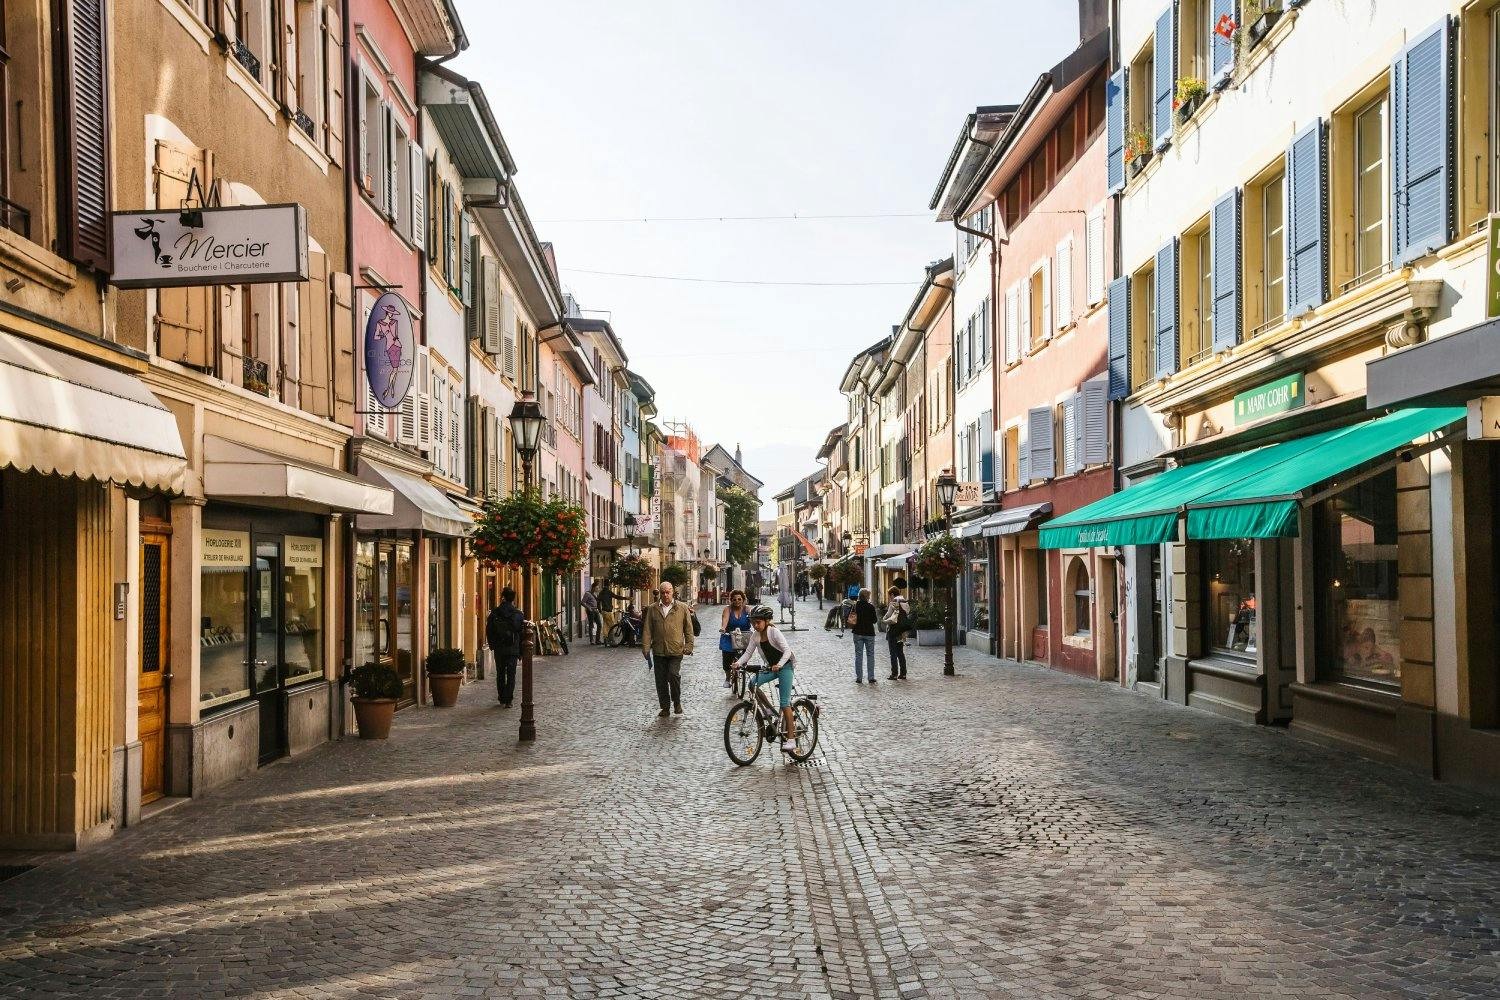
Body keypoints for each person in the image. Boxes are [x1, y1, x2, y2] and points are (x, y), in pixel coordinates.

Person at [733, 605, 799, 752]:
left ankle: (791, 739)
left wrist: (780, 665)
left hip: (785, 666)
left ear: (766, 621)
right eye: (753, 622)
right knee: (752, 683)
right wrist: (738, 663)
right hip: (771, 667)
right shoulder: (755, 635)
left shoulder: (774, 632)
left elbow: (787, 650)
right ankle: (768, 710)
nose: (755, 625)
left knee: (784, 702)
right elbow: (748, 653)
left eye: (758, 622)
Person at [641, 581, 694, 717]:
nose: (665, 595)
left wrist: (689, 645)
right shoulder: (653, 609)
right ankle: (665, 707)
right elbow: (647, 629)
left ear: (672, 592)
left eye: (668, 592)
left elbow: (688, 629)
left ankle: (676, 702)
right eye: (663, 592)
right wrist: (646, 647)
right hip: (659, 650)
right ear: (660, 593)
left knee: (673, 675)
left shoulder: (681, 608)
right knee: (661, 680)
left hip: (676, 650)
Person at [485, 587, 525, 707]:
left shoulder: (495, 613)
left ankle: (502, 697)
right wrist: (521, 651)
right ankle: (509, 700)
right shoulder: (518, 614)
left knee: (500, 673)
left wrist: (492, 645)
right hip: (513, 648)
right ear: (513, 599)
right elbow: (521, 633)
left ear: (503, 597)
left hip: (499, 648)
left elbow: (489, 630)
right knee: (511, 674)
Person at [719, 590, 752, 688]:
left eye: (739, 599)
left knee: (745, 656)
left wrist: (757, 627)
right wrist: (723, 628)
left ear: (743, 600)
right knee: (727, 658)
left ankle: (742, 668)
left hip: (744, 636)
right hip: (729, 636)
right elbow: (725, 621)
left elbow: (753, 619)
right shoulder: (727, 609)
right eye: (734, 599)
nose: (737, 601)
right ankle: (727, 677)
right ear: (731, 600)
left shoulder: (747, 609)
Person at [849, 587, 878, 684]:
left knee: (858, 655)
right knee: (870, 655)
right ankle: (871, 677)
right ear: (867, 597)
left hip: (857, 632)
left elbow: (852, 619)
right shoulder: (871, 607)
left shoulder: (855, 606)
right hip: (869, 633)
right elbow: (875, 620)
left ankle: (859, 678)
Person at [883, 586, 910, 680]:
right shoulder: (905, 602)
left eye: (889, 595)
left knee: (893, 652)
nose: (889, 597)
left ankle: (894, 674)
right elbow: (907, 613)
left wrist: (884, 620)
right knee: (900, 652)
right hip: (902, 631)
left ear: (892, 594)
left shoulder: (894, 602)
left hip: (893, 630)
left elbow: (889, 615)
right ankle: (903, 673)